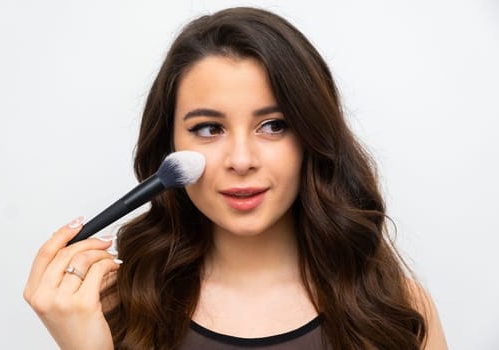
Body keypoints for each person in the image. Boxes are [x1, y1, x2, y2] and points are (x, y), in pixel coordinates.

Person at [23, 7, 447, 350]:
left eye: (274, 125)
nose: (241, 160)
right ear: (168, 144)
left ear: (312, 138)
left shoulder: (395, 308)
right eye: (209, 128)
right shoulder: (113, 309)